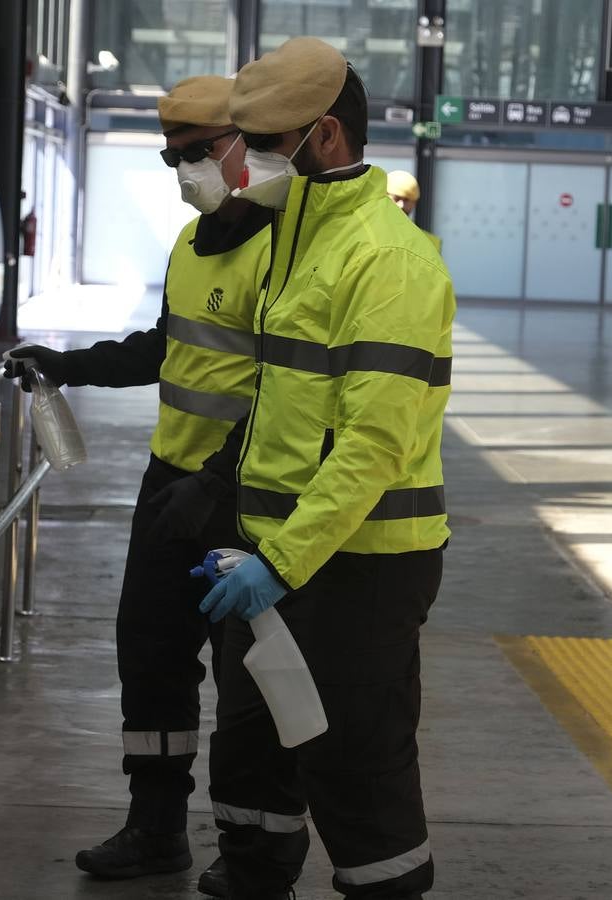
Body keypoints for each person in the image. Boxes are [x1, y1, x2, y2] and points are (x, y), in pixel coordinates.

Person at [157, 37, 454, 899]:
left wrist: (280, 564)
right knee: (252, 742)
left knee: (356, 767)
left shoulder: (389, 261)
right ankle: (253, 874)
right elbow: (278, 403)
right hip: (275, 551)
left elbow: (372, 446)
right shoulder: (295, 238)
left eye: (266, 144)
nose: (246, 162)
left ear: (325, 137)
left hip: (358, 568)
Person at [2, 75, 272, 884]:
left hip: (246, 498)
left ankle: (251, 852)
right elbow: (166, 349)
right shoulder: (190, 246)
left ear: (243, 147)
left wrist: (221, 481)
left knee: (248, 678)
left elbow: (291, 393)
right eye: (174, 156)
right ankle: (155, 825)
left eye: (199, 152)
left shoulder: (282, 253)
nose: (187, 170)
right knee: (151, 660)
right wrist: (68, 362)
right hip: (169, 484)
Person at [386, 169, 442, 253]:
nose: (401, 205)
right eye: (396, 198)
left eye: (407, 200)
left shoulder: (430, 243)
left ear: (414, 202)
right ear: (383, 197)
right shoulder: (368, 232)